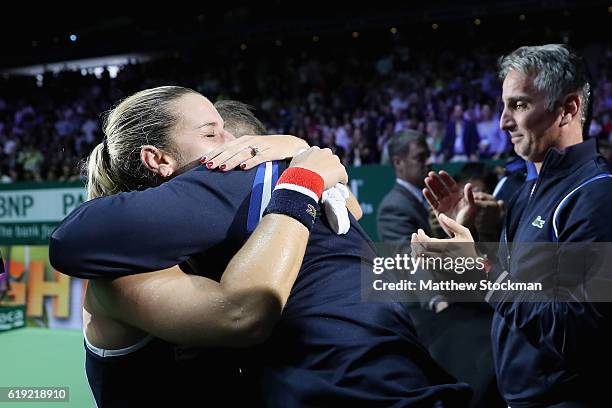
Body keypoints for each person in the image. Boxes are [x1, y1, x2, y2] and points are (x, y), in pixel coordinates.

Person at [50, 86, 471, 407]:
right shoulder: (122, 271)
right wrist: (300, 175)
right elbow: (244, 312)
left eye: (242, 140)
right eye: (213, 134)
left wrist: (298, 150)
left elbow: (351, 210)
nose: (238, 150)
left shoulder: (216, 239)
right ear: (158, 160)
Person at [414, 44, 612, 407]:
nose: (504, 121)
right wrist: (472, 239)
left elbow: (577, 330)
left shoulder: (596, 196)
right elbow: (519, 289)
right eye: (505, 105)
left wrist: (481, 268)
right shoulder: (527, 188)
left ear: (568, 109)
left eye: (519, 105)